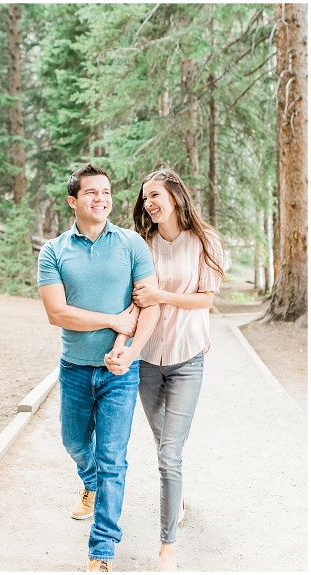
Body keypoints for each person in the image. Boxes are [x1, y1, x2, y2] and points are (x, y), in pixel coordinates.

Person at [38, 163, 161, 572]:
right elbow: (58, 314)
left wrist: (128, 349)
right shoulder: (53, 251)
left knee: (113, 459)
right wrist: (112, 321)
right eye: (91, 192)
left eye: (106, 191)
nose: (101, 199)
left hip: (120, 374)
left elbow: (149, 305)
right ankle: (88, 484)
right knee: (73, 443)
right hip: (73, 368)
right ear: (73, 201)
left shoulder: (131, 245)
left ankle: (102, 550)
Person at [109, 169, 224, 571]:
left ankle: (166, 548)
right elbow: (136, 302)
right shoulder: (144, 243)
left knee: (168, 454)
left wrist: (162, 294)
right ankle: (179, 495)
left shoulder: (205, 241)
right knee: (164, 446)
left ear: (175, 195)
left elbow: (205, 300)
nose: (149, 203)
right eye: (145, 198)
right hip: (148, 360)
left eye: (155, 194)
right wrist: (122, 347)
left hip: (188, 357)